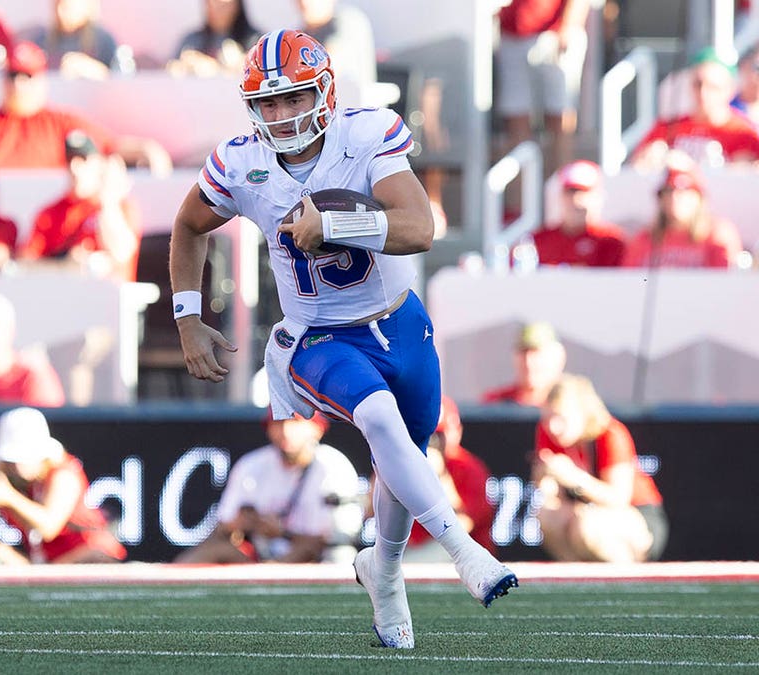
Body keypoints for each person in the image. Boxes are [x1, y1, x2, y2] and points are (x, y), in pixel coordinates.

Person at [169, 30, 517, 650]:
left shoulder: (366, 134)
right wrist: (188, 316)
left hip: (399, 321)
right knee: (379, 419)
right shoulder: (240, 160)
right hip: (316, 334)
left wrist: (335, 223)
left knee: (402, 451)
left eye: (294, 98)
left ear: (324, 91)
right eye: (268, 104)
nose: (281, 115)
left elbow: (420, 228)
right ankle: (464, 551)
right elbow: (189, 225)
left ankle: (382, 571)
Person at [0, 41, 172, 174]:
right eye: (13, 75)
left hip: (47, 232)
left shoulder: (62, 124)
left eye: (27, 76)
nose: (18, 84)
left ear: (41, 81)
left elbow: (115, 146)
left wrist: (151, 153)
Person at [175, 409, 363, 564]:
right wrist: (247, 522)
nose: (286, 432)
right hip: (260, 556)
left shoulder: (333, 466)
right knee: (212, 550)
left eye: (295, 423)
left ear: (317, 429)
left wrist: (282, 532)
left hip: (314, 558)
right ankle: (170, 586)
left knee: (338, 554)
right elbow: (225, 526)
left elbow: (333, 539)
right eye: (279, 423)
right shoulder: (252, 465)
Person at [534, 374, 667, 562]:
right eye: (548, 418)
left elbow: (618, 498)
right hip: (583, 515)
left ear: (583, 414)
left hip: (637, 517)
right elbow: (549, 494)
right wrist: (545, 480)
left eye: (561, 418)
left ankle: (626, 577)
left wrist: (574, 478)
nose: (553, 427)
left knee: (588, 526)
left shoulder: (610, 433)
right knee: (547, 516)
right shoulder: (547, 432)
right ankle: (574, 579)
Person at [0, 406, 127, 564]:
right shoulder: (21, 485)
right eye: (11, 461)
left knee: (93, 555)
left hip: (90, 562)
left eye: (22, 458)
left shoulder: (64, 474)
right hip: (48, 567)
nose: (16, 468)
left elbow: (48, 526)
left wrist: (9, 497)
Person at [21, 131, 141, 282]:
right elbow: (25, 264)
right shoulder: (49, 214)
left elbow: (121, 253)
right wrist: (65, 266)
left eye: (83, 159)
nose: (74, 168)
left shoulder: (121, 207)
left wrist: (107, 202)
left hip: (108, 298)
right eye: (69, 160)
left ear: (100, 164)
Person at [495, 0, 590, 173]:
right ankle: (520, 196)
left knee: (560, 117)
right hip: (512, 32)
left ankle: (560, 188)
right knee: (517, 116)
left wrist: (569, 24)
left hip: (553, 33)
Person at [631, 48, 759, 169]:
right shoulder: (668, 127)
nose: (703, 93)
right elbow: (635, 167)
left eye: (713, 87)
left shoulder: (744, 134)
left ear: (729, 89)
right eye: (698, 84)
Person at [403, 397, 496, 563]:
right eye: (428, 434)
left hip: (461, 554)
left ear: (455, 432)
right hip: (412, 547)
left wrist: (440, 477)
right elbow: (372, 512)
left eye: (439, 435)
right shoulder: (407, 462)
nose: (433, 442)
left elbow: (464, 525)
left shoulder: (468, 468)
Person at [623, 162, 740, 268]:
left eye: (682, 191)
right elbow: (627, 282)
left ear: (698, 197)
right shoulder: (645, 239)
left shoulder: (717, 234)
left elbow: (724, 282)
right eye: (667, 192)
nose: (674, 198)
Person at [531, 159, 626, 267]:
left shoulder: (611, 241)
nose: (575, 200)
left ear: (598, 196)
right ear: (561, 196)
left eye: (583, 192)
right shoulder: (539, 240)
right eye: (570, 192)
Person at [18, 0, 123, 79]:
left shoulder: (103, 39)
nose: (60, 13)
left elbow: (119, 80)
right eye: (57, 5)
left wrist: (89, 69)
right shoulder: (41, 39)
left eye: (67, 7)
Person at [167, 0, 261, 78]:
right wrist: (186, 66)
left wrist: (240, 63)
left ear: (237, 5)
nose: (218, 7)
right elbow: (170, 68)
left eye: (224, 3)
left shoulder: (255, 41)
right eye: (214, 2)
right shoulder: (191, 41)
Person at [481, 322, 567, 407]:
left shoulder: (571, 403)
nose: (528, 361)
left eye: (535, 352)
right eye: (523, 352)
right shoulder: (496, 403)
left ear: (558, 357)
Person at [295, 0, 376, 91]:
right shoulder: (300, 34)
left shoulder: (348, 21)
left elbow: (328, 66)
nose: (305, 3)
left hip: (348, 100)